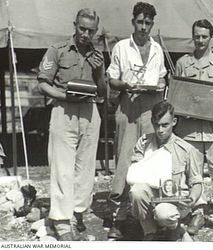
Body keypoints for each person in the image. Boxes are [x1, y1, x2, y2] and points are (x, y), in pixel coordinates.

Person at [37, 9, 106, 241]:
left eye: (91, 30)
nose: (86, 34)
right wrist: (64, 97)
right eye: (82, 28)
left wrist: (100, 71)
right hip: (64, 109)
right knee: (62, 166)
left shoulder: (98, 55)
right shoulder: (58, 50)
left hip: (89, 111)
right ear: (74, 25)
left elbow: (104, 92)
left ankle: (77, 213)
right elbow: (43, 84)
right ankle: (61, 220)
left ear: (96, 31)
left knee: (85, 167)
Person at [106, 2, 167, 238]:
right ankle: (119, 218)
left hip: (150, 106)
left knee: (151, 157)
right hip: (128, 104)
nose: (143, 27)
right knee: (124, 159)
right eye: (140, 22)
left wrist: (158, 86)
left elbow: (161, 79)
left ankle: (147, 218)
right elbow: (112, 80)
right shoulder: (121, 47)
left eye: (148, 23)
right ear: (133, 21)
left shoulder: (157, 49)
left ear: (152, 24)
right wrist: (126, 84)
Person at [174, 19, 213, 237]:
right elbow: (178, 91)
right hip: (189, 129)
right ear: (193, 37)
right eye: (197, 36)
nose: (200, 40)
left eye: (204, 36)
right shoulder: (183, 62)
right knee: (194, 173)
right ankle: (198, 211)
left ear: (211, 37)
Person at [129, 100, 203, 241]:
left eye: (165, 125)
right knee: (136, 191)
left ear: (174, 121)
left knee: (165, 213)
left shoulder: (185, 149)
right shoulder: (144, 143)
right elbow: (134, 174)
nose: (160, 130)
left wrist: (191, 200)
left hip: (174, 201)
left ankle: (175, 228)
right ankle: (150, 231)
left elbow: (197, 182)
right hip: (150, 196)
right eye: (156, 125)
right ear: (152, 122)